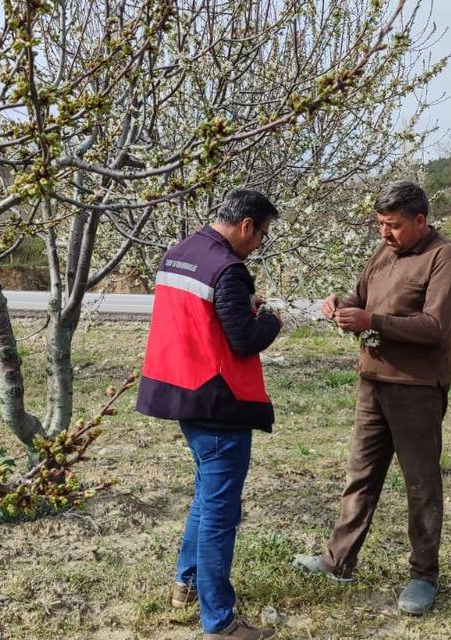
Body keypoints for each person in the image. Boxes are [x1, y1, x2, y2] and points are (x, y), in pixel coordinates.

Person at [291, 180, 451, 616]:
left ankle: (424, 576)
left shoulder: (445, 257)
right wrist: (339, 306)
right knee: (361, 475)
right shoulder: (383, 252)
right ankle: (338, 561)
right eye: (381, 225)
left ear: (420, 220)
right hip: (373, 382)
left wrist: (372, 321)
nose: (385, 233)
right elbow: (361, 297)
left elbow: (434, 327)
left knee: (420, 484)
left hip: (417, 389)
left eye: (394, 225)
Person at [136, 189, 283, 640]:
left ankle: (186, 584)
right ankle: (219, 621)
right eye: (261, 234)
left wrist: (242, 309)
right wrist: (271, 320)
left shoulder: (180, 253)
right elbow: (244, 339)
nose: (259, 243)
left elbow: (202, 320)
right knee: (221, 512)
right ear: (246, 225)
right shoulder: (228, 268)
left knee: (206, 497)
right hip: (219, 402)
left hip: (181, 393)